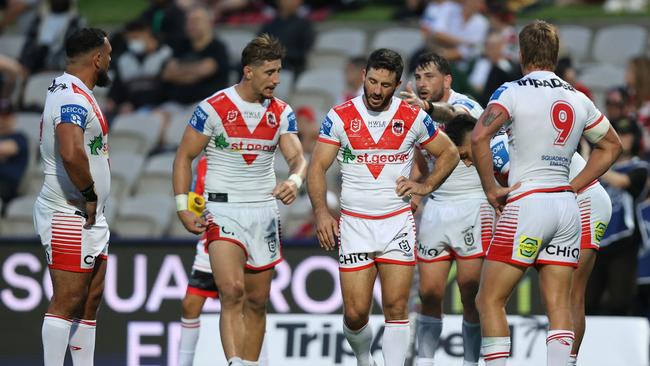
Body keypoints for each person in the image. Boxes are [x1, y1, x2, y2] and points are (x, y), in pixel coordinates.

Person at [471, 20, 622, 365]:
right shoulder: (578, 97)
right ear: (555, 55)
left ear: (521, 54)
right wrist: (575, 185)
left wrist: (492, 188)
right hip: (567, 208)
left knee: (489, 300)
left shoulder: (511, 91)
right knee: (561, 304)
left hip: (529, 204)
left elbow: (479, 137)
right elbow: (611, 147)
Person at [307, 48, 459, 366]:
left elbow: (450, 153)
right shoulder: (340, 116)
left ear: (397, 83)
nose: (377, 91)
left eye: (385, 85)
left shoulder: (412, 116)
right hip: (355, 224)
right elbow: (317, 167)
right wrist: (322, 212)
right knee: (355, 312)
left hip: (396, 222)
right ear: (363, 76)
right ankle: (365, 358)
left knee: (396, 307)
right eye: (372, 82)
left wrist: (425, 186)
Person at [172, 34, 307, 366]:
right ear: (249, 71)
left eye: (279, 72)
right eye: (270, 72)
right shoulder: (214, 108)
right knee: (231, 291)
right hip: (222, 209)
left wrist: (295, 179)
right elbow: (183, 157)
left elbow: (298, 158)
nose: (277, 79)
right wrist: (183, 206)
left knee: (258, 301)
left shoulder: (281, 112)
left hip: (263, 212)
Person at [399, 51, 498, 366]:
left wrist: (427, 108)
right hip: (437, 206)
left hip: (472, 204)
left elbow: (452, 114)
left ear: (447, 79)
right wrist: (414, 198)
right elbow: (420, 161)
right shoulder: (415, 114)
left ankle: (470, 362)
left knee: (470, 292)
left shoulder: (467, 106)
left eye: (430, 77)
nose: (422, 83)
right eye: (418, 77)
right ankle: (425, 361)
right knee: (428, 293)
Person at [32, 27, 112, 366]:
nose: (111, 61)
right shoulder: (72, 97)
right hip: (69, 211)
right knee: (67, 299)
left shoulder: (70, 89)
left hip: (87, 216)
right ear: (97, 59)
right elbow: (70, 151)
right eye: (108, 56)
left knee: (89, 302)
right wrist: (89, 194)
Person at [177, 155, 269, 366]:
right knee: (190, 304)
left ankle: (262, 362)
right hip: (213, 237)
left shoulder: (247, 158)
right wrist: (194, 209)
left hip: (244, 237)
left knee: (251, 306)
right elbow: (197, 197)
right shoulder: (204, 163)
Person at [162, 5, 230, 105]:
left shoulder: (217, 48)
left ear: (209, 23)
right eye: (188, 21)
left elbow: (205, 70)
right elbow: (167, 74)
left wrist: (178, 71)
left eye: (196, 21)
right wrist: (193, 72)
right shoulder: (181, 46)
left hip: (206, 104)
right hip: (174, 103)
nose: (191, 25)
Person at [258, 0, 314, 75]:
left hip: (291, 67)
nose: (292, 2)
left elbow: (304, 52)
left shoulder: (305, 25)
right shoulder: (269, 26)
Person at [0, 101, 29, 210]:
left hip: (8, 185)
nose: (2, 120)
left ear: (13, 119)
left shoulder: (19, 138)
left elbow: (6, 149)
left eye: (6, 116)